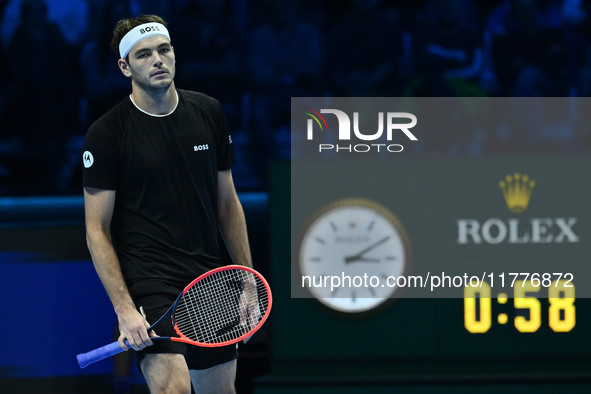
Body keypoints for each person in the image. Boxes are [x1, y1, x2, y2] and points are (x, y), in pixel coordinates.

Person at [81, 14, 253, 394]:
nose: (157, 60)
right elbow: (96, 230)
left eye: (164, 50)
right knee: (171, 389)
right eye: (143, 55)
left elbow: (228, 203)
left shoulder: (208, 112)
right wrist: (124, 309)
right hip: (150, 282)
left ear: (174, 54)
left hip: (210, 278)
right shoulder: (107, 134)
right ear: (125, 67)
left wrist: (246, 279)